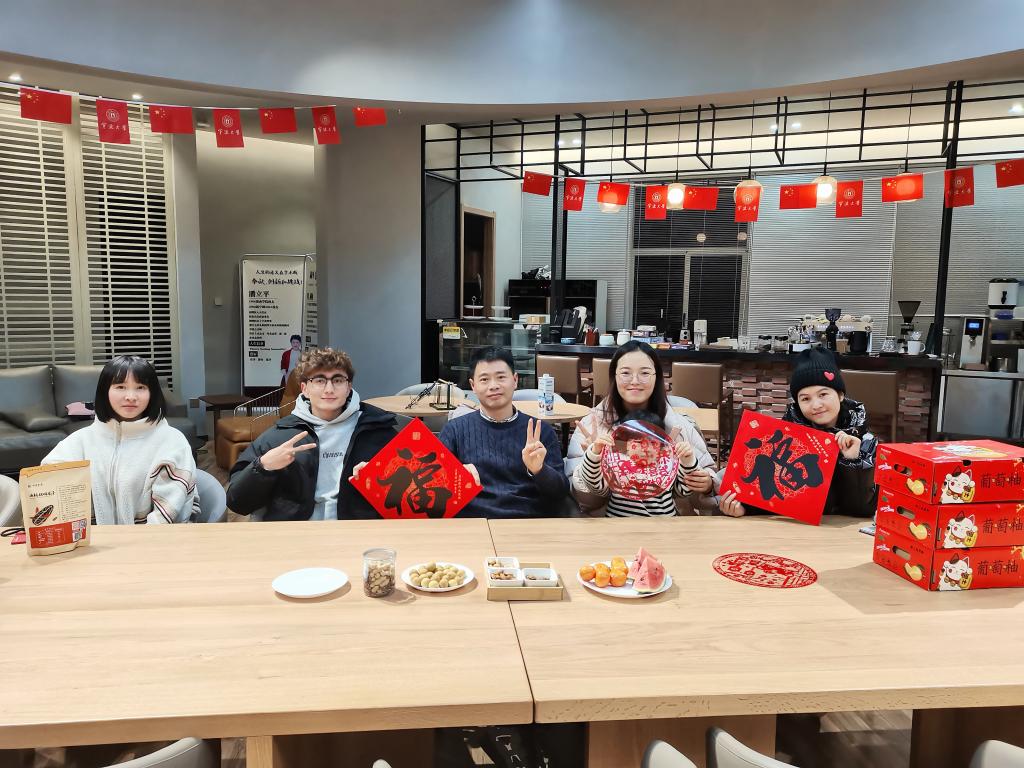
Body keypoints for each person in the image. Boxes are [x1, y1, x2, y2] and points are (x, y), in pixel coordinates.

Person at [227, 347, 398, 520]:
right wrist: (264, 466)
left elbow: (409, 496)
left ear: (348, 387)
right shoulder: (279, 437)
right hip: (298, 531)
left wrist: (380, 476)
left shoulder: (378, 432)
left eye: (338, 380)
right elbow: (237, 502)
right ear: (305, 389)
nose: (329, 389)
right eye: (319, 380)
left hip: (358, 529)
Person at [717, 348, 877, 518]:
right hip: (794, 527)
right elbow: (772, 493)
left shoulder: (864, 441)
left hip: (838, 530)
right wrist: (744, 508)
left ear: (840, 395)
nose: (816, 405)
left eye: (823, 394)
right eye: (805, 398)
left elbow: (863, 510)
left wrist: (853, 461)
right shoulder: (785, 438)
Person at [566, 341, 719, 515]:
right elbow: (583, 501)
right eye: (625, 373)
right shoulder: (591, 425)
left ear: (657, 377)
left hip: (669, 525)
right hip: (610, 525)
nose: (635, 381)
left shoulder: (680, 427)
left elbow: (699, 484)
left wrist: (707, 484)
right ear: (614, 376)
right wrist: (595, 459)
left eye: (645, 373)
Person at [42, 355, 198, 524]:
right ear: (105, 391)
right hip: (95, 539)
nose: (131, 396)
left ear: (152, 393)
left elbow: (166, 516)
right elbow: (46, 477)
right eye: (120, 387)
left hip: (155, 538)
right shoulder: (82, 439)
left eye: (140, 387)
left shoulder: (172, 441)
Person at [438, 346, 570, 518]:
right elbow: (434, 488)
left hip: (527, 522)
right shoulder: (454, 430)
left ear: (515, 380)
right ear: (473, 386)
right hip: (472, 522)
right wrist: (456, 475)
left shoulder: (540, 431)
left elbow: (560, 493)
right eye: (484, 379)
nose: (493, 386)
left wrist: (540, 470)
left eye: (501, 377)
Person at [573, 409, 704, 517]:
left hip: (663, 528)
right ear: (626, 445)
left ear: (661, 445)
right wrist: (595, 452)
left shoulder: (667, 464)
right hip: (619, 527)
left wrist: (687, 461)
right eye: (638, 442)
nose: (645, 448)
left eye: (653, 442)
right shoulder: (616, 464)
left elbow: (684, 491)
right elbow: (595, 486)